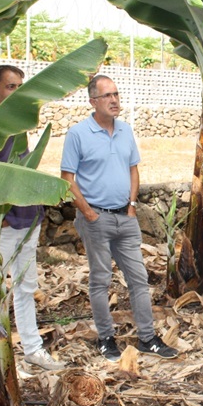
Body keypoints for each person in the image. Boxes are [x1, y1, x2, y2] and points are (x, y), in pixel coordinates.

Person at [61, 75, 178, 361]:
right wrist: (88, 213)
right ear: (93, 102)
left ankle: (147, 338)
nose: (114, 100)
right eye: (107, 96)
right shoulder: (78, 134)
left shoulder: (125, 130)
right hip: (95, 219)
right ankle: (105, 338)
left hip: (125, 217)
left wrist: (133, 205)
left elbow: (133, 169)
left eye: (116, 94)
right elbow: (67, 178)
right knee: (100, 280)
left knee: (139, 278)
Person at [0, 65, 64, 371]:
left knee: (26, 287)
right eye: (11, 87)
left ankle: (32, 348)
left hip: (27, 218)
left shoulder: (17, 125)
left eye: (20, 86)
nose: (17, 92)